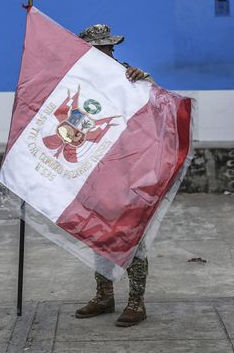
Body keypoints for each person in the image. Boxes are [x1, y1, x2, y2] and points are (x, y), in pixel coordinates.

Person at [73, 23, 150, 327]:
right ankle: (104, 295)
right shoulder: (78, 85)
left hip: (129, 170)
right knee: (98, 234)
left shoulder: (127, 75)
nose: (109, 52)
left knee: (134, 234)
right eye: (102, 48)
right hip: (95, 171)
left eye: (110, 47)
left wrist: (145, 79)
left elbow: (155, 103)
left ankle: (137, 301)